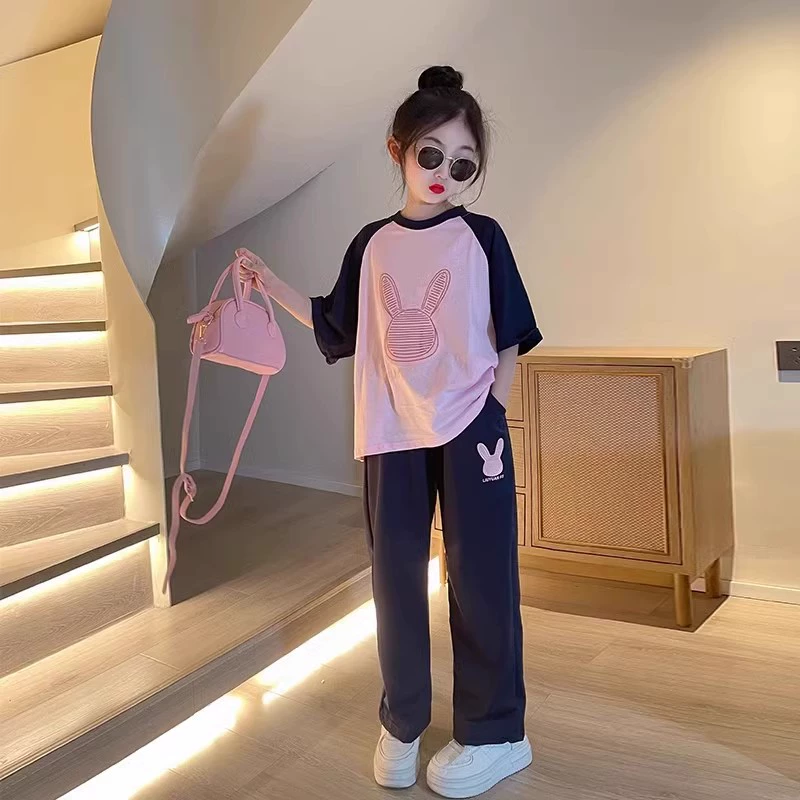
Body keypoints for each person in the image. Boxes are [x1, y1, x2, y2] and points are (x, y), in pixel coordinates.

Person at [236, 65, 542, 799]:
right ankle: (402, 721)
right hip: (389, 429)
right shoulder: (372, 245)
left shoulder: (481, 237)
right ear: (397, 149)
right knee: (395, 581)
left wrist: (491, 411)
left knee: (481, 578)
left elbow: (509, 334)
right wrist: (268, 283)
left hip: (471, 429)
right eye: (431, 154)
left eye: (463, 165)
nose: (444, 174)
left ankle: (497, 734)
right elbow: (337, 324)